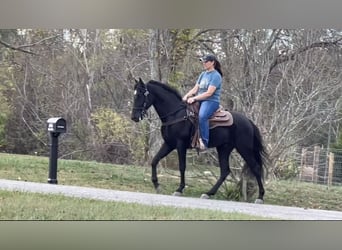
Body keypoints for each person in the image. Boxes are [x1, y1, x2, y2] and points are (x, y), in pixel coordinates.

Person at [182, 54, 223, 150]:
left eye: (206, 61)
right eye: (203, 62)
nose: (203, 63)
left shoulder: (216, 76)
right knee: (187, 112)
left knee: (202, 116)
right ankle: (190, 137)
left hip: (211, 101)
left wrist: (195, 98)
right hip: (200, 99)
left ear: (212, 62)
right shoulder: (203, 74)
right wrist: (187, 95)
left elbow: (209, 93)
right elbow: (195, 89)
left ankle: (204, 142)